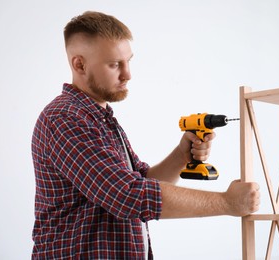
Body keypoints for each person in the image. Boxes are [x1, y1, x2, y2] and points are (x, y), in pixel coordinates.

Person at [31, 11, 260, 259]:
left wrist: (182, 155)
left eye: (128, 61)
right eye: (114, 64)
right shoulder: (65, 119)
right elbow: (127, 195)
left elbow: (142, 181)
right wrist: (227, 203)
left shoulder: (101, 119)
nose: (127, 74)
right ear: (80, 64)